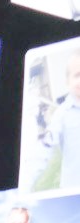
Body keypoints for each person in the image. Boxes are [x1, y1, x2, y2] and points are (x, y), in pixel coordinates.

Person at [34, 51, 80, 191]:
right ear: (67, 82)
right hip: (74, 188)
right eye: (77, 75)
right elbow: (45, 148)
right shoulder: (61, 115)